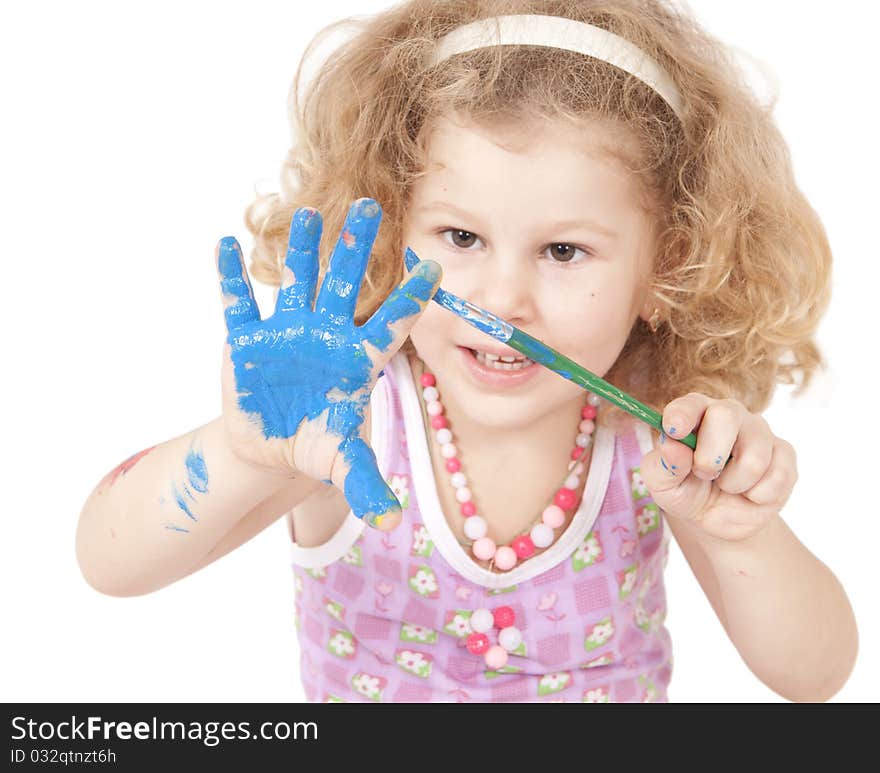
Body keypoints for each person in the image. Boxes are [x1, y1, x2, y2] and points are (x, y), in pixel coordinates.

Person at [75, 0, 858, 702]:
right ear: (390, 229)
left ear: (667, 264)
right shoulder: (349, 420)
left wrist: (742, 530)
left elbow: (815, 675)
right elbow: (109, 564)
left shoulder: (663, 436)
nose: (501, 300)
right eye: (461, 236)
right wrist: (243, 453)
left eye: (562, 250)